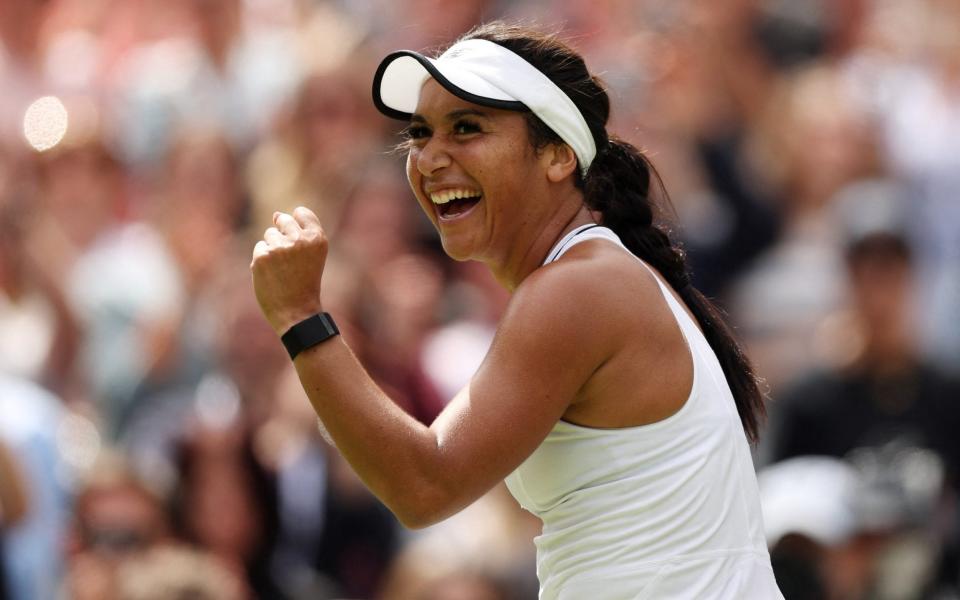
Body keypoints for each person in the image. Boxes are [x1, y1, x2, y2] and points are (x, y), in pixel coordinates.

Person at [251, 22, 783, 598]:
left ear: (557, 155)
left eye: (467, 128)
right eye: (420, 133)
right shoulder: (590, 278)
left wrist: (301, 317)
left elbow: (423, 485)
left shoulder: (578, 289)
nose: (430, 158)